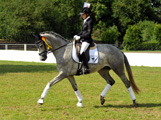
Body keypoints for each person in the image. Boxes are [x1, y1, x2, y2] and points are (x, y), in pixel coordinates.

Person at [73, 7, 93, 74]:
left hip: (87, 40)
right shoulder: (84, 21)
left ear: (87, 14)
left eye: (83, 14)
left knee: (81, 52)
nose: (82, 15)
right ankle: (79, 68)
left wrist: (80, 37)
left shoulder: (90, 21)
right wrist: (77, 35)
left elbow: (88, 33)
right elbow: (82, 31)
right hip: (82, 39)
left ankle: (86, 68)